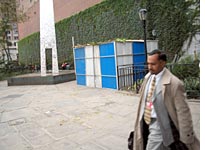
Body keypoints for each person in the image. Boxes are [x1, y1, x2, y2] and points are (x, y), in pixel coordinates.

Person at [133, 49, 200, 150]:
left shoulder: (174, 83)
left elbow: (183, 112)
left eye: (153, 64)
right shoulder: (148, 77)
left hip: (160, 125)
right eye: (148, 64)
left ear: (163, 63)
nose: (149, 67)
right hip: (146, 121)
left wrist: (187, 137)